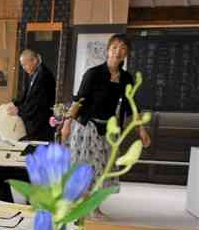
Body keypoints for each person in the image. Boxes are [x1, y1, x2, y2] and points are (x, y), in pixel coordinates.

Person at [63, 33, 151, 189]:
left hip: (109, 129)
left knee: (103, 168)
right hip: (87, 126)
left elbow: (132, 106)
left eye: (123, 48)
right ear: (108, 50)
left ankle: (94, 208)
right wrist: (66, 125)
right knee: (87, 169)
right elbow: (79, 100)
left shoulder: (126, 78)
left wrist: (141, 130)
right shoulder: (93, 73)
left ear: (127, 53)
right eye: (114, 47)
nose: (118, 51)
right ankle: (85, 208)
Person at [11, 49, 56, 141]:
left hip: (40, 126)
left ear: (34, 60)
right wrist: (14, 104)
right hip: (32, 125)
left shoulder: (44, 75)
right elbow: (26, 97)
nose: (23, 68)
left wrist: (19, 110)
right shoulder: (34, 74)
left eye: (25, 64)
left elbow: (37, 103)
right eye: (22, 65)